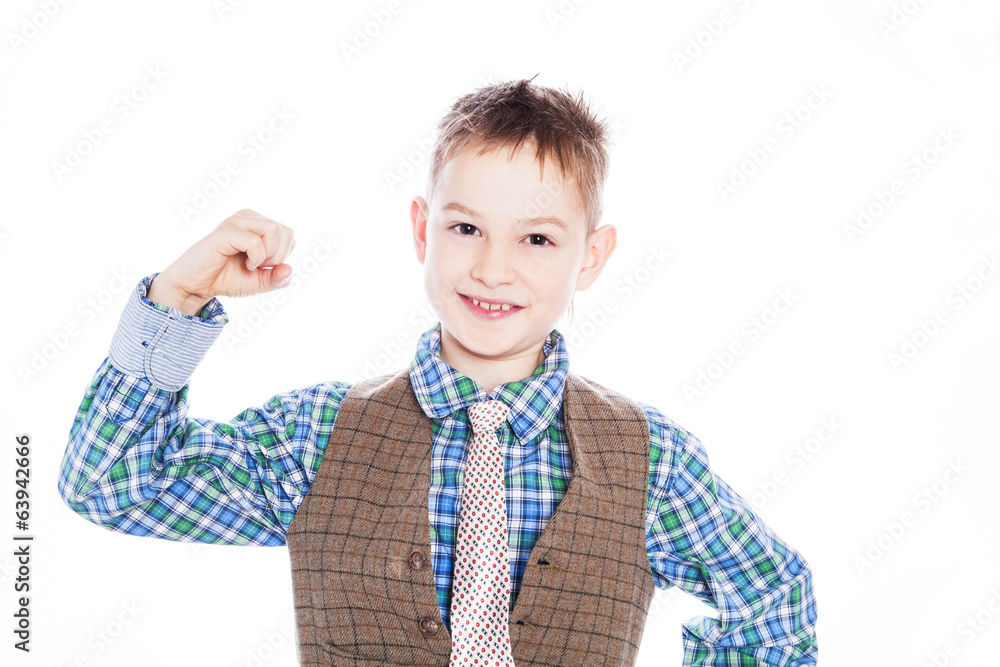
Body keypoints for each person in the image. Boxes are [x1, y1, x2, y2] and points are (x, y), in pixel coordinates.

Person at [58, 77, 818, 665]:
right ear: (424, 230)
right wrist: (178, 296)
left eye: (537, 240)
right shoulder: (316, 437)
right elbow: (111, 483)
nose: (492, 268)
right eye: (466, 228)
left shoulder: (651, 460)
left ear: (591, 256)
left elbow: (773, 598)